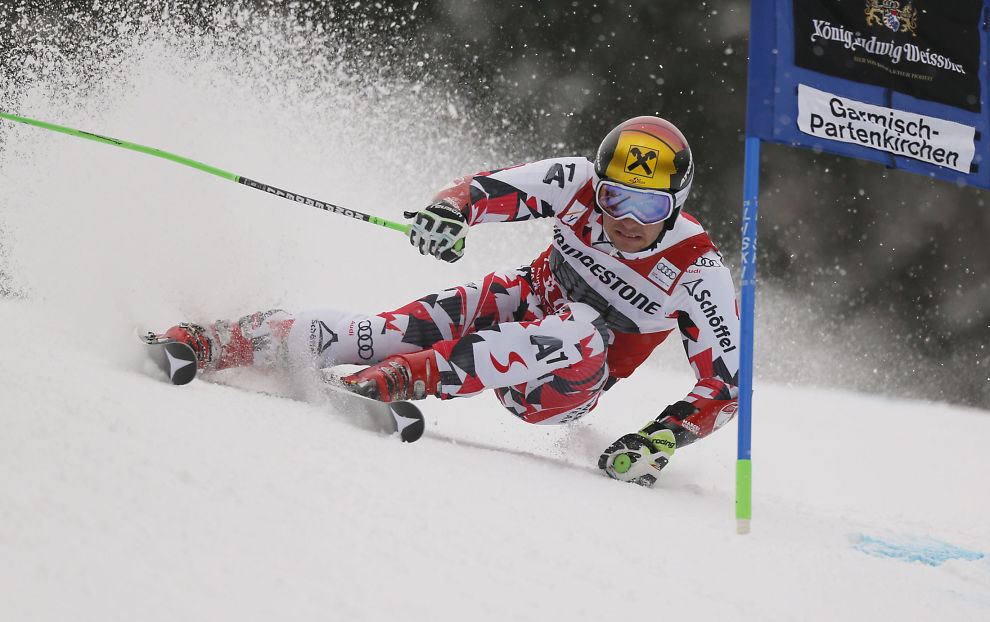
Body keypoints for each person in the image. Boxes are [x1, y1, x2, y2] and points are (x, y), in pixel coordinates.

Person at [161, 116, 740, 487]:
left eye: (649, 208)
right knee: (383, 327)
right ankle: (220, 341)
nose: (626, 221)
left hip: (560, 385)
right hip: (522, 301)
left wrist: (658, 440)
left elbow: (728, 386)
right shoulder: (578, 182)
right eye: (616, 198)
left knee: (580, 330)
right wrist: (449, 213)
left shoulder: (697, 268)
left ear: (677, 203)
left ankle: (399, 379)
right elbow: (488, 189)